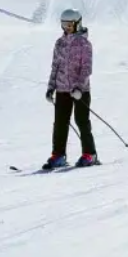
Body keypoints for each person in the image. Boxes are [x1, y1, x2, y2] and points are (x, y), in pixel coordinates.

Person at [43, 9, 99, 169]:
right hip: (61, 89)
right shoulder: (59, 43)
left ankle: (90, 154)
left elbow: (86, 69)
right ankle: (58, 155)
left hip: (79, 91)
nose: (66, 27)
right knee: (60, 122)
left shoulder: (84, 44)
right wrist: (50, 88)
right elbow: (55, 66)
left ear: (77, 23)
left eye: (69, 24)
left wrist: (79, 88)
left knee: (81, 121)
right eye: (63, 24)